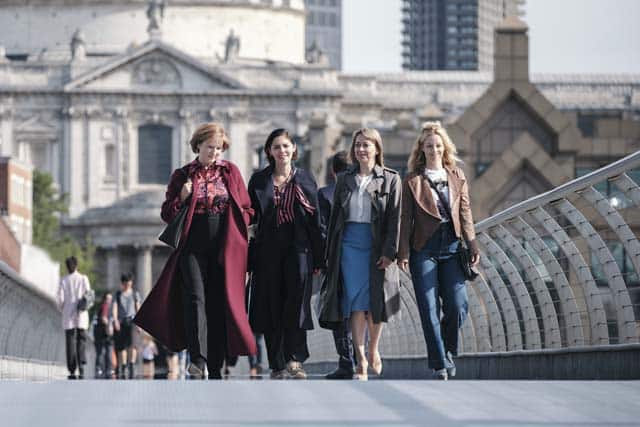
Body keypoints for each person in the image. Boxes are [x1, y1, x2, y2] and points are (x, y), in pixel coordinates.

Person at [134, 122, 257, 380]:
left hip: (224, 245)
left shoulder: (231, 172)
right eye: (210, 147)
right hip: (192, 244)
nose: (215, 152)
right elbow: (167, 213)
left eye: (219, 148)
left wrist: (239, 222)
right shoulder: (182, 175)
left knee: (219, 303)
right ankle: (198, 360)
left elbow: (247, 208)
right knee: (195, 299)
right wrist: (182, 197)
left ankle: (216, 363)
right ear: (198, 145)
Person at [398, 121, 480, 380]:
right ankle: (439, 364)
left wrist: (472, 243)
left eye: (437, 145)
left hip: (452, 246)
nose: (434, 149)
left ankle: (447, 349)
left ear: (444, 147)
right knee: (428, 308)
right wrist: (403, 252)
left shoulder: (457, 175)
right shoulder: (412, 181)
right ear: (421, 150)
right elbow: (405, 219)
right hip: (423, 248)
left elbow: (465, 211)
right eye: (429, 146)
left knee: (457, 305)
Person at [320, 128, 402, 381]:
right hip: (348, 245)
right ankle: (360, 360)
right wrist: (330, 254)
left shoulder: (391, 179)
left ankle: (373, 349)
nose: (361, 149)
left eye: (366, 145)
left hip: (375, 244)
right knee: (355, 302)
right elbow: (335, 219)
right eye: (357, 145)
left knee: (375, 301)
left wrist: (390, 251)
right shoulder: (345, 179)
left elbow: (395, 219)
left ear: (377, 148)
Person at [247, 128, 324, 380]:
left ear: (294, 149)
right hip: (267, 250)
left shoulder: (305, 179)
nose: (282, 151)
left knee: (297, 303)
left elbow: (316, 220)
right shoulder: (259, 180)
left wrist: (320, 257)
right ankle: (277, 363)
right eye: (276, 147)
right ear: (269, 151)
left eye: (286, 146)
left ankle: (295, 359)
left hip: (299, 249)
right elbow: (249, 217)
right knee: (271, 305)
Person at [317, 151, 356, 380]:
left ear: (333, 171)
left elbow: (321, 229)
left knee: (338, 310)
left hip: (334, 262)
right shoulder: (362, 191)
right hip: (359, 258)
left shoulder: (324, 194)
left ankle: (346, 361)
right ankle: (361, 357)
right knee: (359, 309)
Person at [57, 256, 93, 379]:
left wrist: (63, 308)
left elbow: (60, 299)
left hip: (68, 314)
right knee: (81, 339)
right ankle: (81, 364)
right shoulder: (83, 278)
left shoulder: (63, 280)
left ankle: (72, 369)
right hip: (81, 313)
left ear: (67, 267)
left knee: (70, 341)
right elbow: (89, 295)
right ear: (77, 266)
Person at [113, 272, 141, 379]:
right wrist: (115, 320)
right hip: (122, 322)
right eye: (125, 284)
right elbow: (115, 307)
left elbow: (138, 307)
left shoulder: (135, 294)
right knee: (122, 345)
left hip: (133, 320)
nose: (127, 286)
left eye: (129, 284)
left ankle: (132, 364)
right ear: (122, 283)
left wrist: (140, 323)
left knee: (133, 344)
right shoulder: (118, 294)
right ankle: (124, 366)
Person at [93, 292, 114, 379]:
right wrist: (109, 326)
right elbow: (104, 318)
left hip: (102, 333)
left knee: (104, 351)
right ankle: (104, 369)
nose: (109, 301)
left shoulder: (107, 307)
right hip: (102, 333)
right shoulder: (105, 306)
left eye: (110, 299)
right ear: (104, 299)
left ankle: (103, 368)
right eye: (108, 299)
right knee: (102, 352)